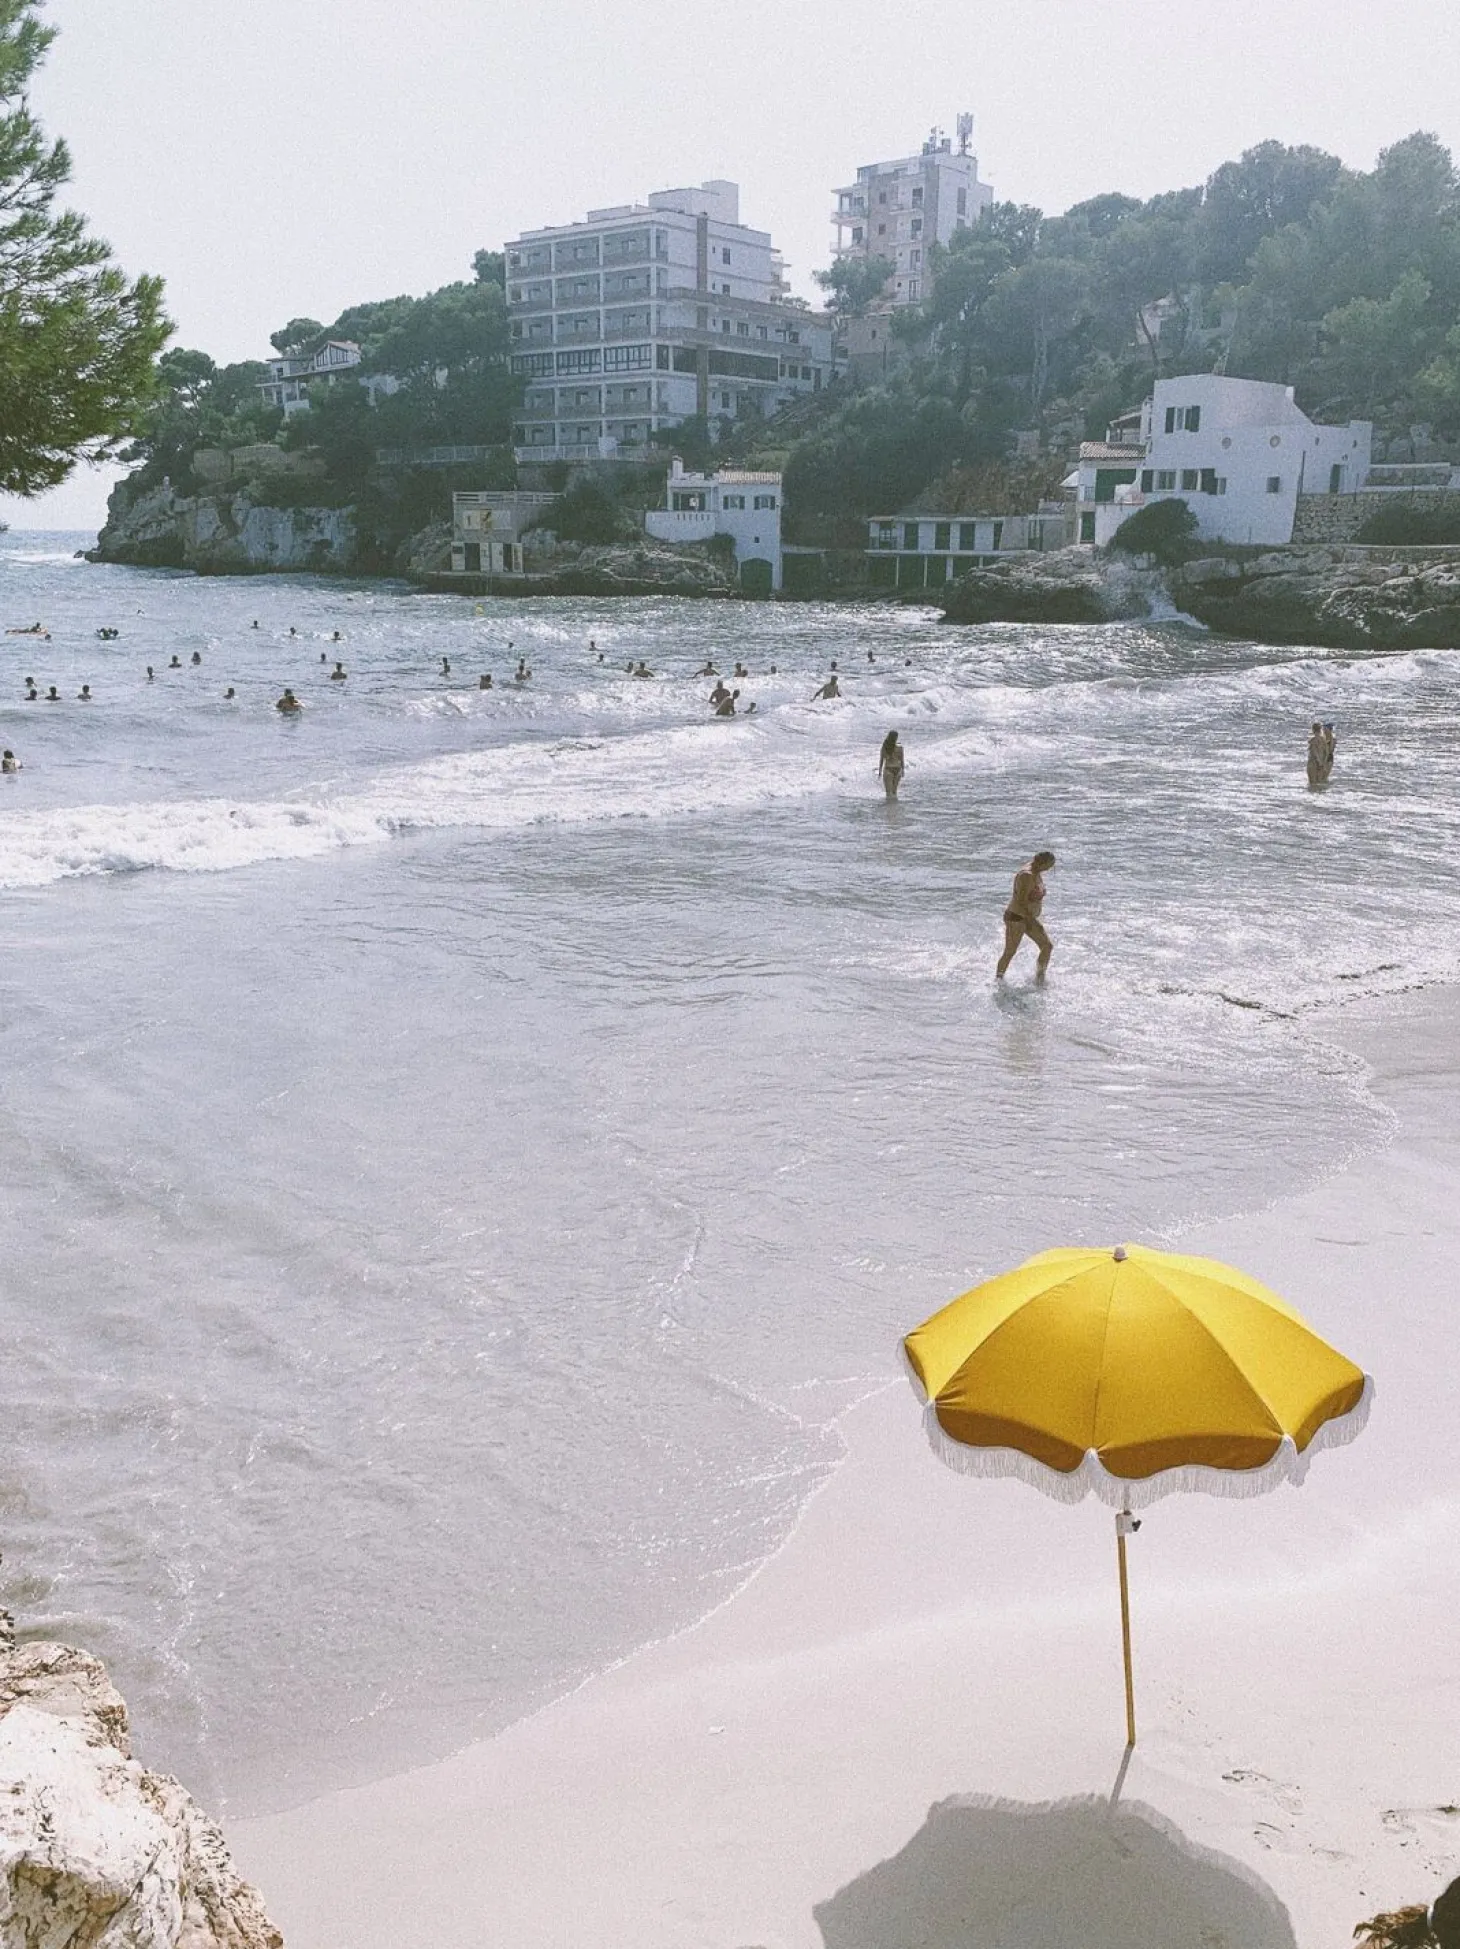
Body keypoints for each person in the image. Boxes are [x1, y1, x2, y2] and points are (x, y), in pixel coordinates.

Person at [997, 851, 1056, 983]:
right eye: (1049, 866)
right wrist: (1031, 919)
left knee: (1047, 946)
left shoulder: (1036, 871)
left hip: (1027, 917)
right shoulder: (1027, 875)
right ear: (1042, 863)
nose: (1050, 869)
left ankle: (1040, 979)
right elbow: (1021, 901)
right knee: (1010, 952)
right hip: (1017, 917)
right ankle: (998, 980)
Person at [878, 729, 904, 800]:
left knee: (889, 793)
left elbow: (881, 760)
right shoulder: (900, 747)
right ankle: (894, 808)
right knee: (894, 792)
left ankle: (890, 809)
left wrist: (880, 771)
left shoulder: (885, 747)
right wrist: (903, 770)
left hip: (889, 769)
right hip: (898, 769)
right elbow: (902, 760)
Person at [1306, 721, 1326, 788]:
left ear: (1313, 730)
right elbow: (1326, 752)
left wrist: (1318, 761)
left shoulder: (1313, 740)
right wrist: (1322, 762)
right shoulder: (1323, 740)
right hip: (1322, 762)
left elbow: (1314, 752)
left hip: (1313, 762)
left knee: (1312, 784)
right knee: (1319, 783)